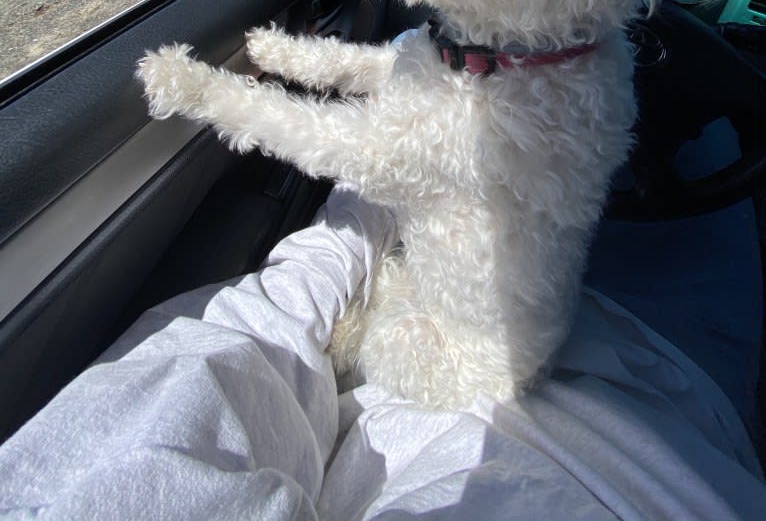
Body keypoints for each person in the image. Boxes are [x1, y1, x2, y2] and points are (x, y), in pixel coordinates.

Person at [0, 186, 763, 519]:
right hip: (644, 443)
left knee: (192, 398)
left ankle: (336, 251)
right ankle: (339, 251)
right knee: (721, 249)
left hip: (414, 426)